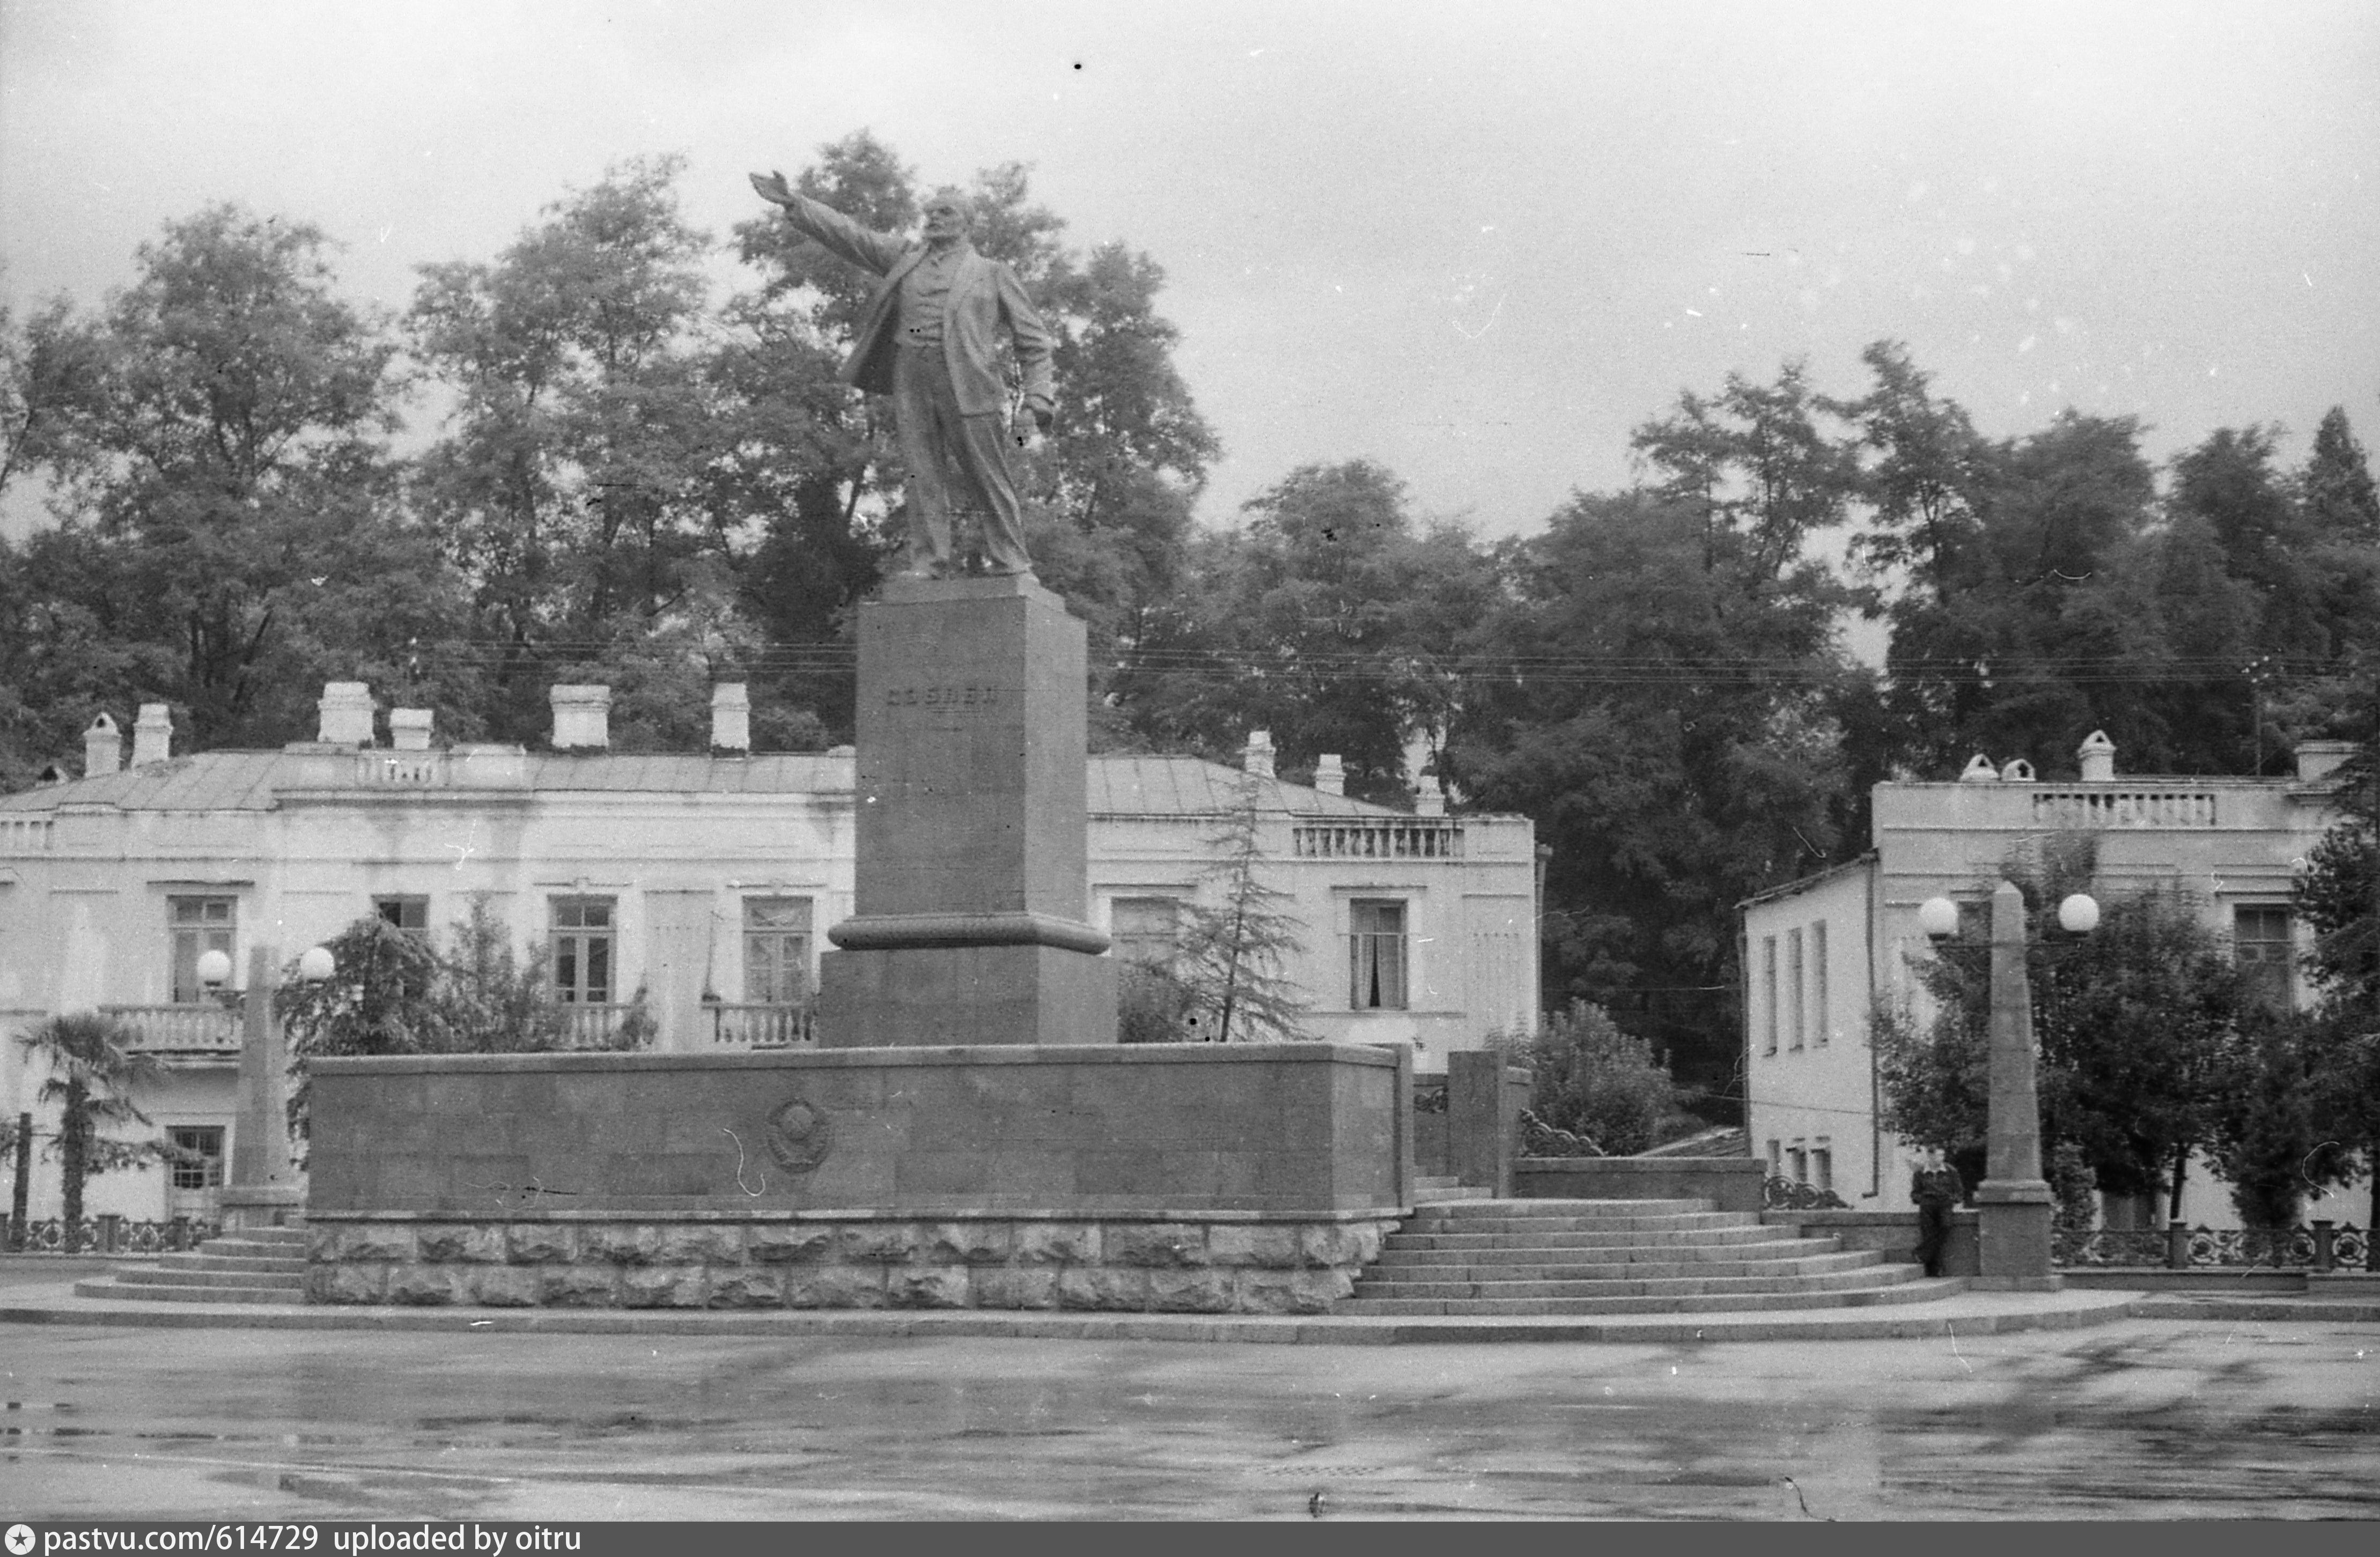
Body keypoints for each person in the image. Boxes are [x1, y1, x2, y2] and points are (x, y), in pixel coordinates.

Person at [749, 171, 1054, 579]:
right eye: (929, 213)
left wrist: (1036, 400)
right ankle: (929, 562)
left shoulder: (992, 272)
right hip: (911, 379)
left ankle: (1012, 562)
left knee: (987, 476)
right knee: (921, 473)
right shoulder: (903, 259)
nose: (933, 219)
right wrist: (796, 203)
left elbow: (1034, 341)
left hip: (970, 382)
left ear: (967, 223)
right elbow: (850, 235)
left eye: (945, 212)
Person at [1910, 1148, 1962, 1279]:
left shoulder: (1951, 1171)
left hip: (1945, 1204)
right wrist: (1921, 1200)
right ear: (1930, 1156)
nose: (1941, 1158)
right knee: (1929, 1233)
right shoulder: (1920, 1173)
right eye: (1938, 1155)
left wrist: (1953, 1199)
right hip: (1927, 1205)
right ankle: (1935, 1270)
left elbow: (1959, 1191)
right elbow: (1915, 1193)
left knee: (1946, 1226)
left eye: (1943, 1155)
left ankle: (1921, 1253)